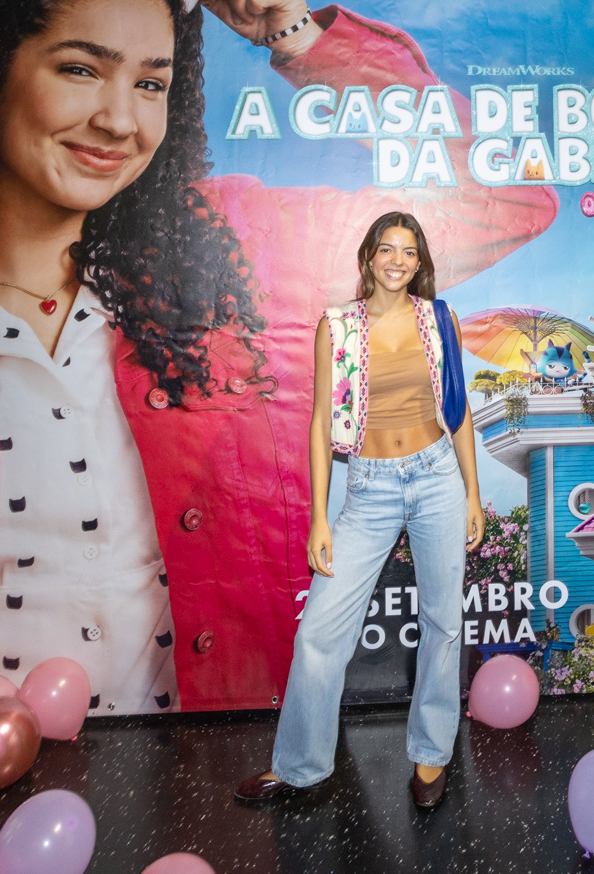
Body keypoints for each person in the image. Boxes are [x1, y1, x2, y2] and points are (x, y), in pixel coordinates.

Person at [0, 0, 558, 714]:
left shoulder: (236, 255)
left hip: (221, 786)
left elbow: (500, 199)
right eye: (80, 68)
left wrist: (300, 38)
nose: (118, 119)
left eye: (151, 82)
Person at [236, 212, 481, 809]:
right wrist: (319, 516)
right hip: (368, 487)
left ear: (419, 263)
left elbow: (458, 411)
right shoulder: (338, 325)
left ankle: (431, 755)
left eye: (409, 252)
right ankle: (301, 766)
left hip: (436, 477)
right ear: (369, 257)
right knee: (320, 630)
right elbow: (322, 421)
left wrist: (473, 494)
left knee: (443, 622)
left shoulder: (439, 319)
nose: (398, 261)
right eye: (386, 249)